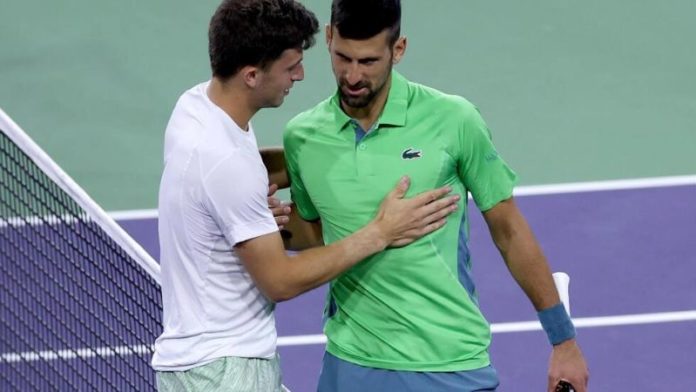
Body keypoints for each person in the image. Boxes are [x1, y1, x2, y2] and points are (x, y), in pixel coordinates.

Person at [150, 0, 461, 391]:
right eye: (290, 65)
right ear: (250, 75)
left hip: (199, 366)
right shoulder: (228, 164)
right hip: (228, 373)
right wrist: (380, 232)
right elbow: (279, 281)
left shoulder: (195, 107)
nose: (300, 75)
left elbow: (232, 176)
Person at [282, 0, 590, 391]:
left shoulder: (453, 120)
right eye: (343, 58)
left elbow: (509, 230)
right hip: (350, 362)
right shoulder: (303, 137)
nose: (353, 75)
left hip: (447, 362)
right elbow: (318, 232)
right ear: (328, 38)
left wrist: (563, 340)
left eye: (369, 61)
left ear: (399, 49)